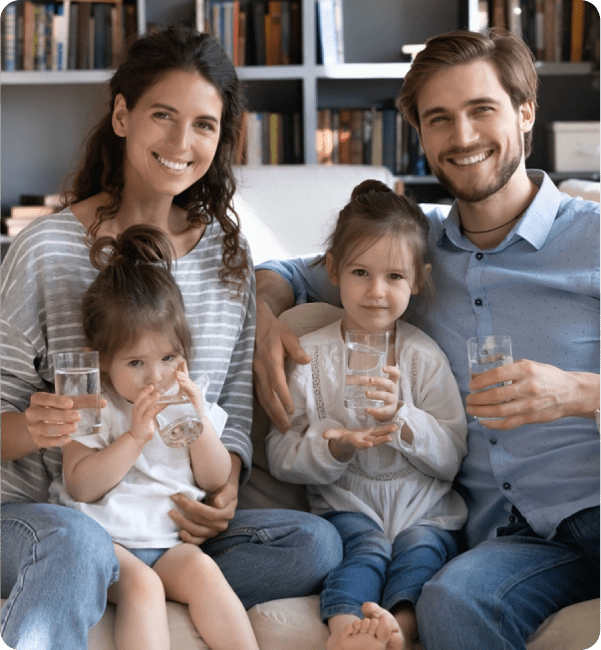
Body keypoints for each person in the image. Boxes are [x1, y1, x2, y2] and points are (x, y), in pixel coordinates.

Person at [254, 28, 600, 650]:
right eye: (440, 119)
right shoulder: (408, 251)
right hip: (513, 539)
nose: (462, 137)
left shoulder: (595, 237)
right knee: (451, 600)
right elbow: (286, 270)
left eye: (481, 110)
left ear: (525, 112)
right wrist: (264, 317)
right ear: (421, 136)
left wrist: (579, 392)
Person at [1, 26, 341, 650]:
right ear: (123, 115)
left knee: (315, 542)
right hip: (49, 515)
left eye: (205, 125)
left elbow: (232, 411)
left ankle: (141, 575)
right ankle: (98, 574)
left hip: (164, 519)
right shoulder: (45, 249)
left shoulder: (228, 257)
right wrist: (36, 426)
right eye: (163, 115)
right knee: (76, 544)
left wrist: (229, 483)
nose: (183, 143)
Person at [265, 180, 468, 650]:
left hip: (425, 511)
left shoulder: (423, 356)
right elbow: (281, 455)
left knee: (423, 552)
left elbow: (452, 456)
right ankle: (346, 629)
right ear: (334, 271)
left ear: (418, 280)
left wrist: (404, 417)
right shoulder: (309, 357)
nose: (377, 292)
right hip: (347, 507)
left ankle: (400, 625)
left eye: (395, 277)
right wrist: (331, 446)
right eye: (361, 272)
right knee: (364, 551)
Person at [51, 224, 260, 650]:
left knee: (205, 574)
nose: (156, 376)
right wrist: (134, 436)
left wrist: (198, 423)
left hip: (168, 543)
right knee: (143, 587)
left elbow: (216, 479)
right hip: (106, 541)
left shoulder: (187, 401)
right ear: (104, 360)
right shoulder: (93, 404)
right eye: (135, 363)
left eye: (169, 357)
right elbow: (81, 484)